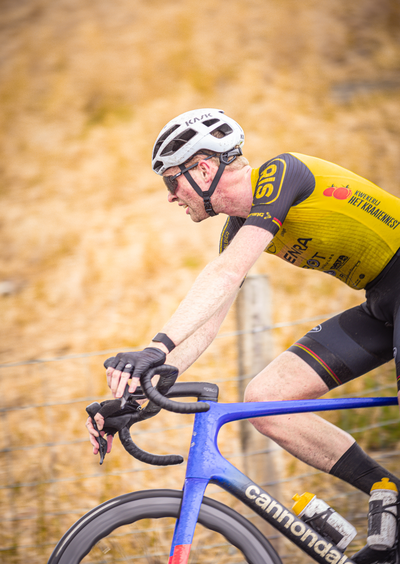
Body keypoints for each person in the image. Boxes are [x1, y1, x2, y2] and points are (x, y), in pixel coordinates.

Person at [86, 107, 400, 498]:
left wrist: (155, 347)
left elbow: (227, 273)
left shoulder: (281, 174)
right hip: (383, 302)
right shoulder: (238, 228)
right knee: (265, 401)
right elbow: (208, 324)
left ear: (203, 170)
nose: (170, 197)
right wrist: (143, 389)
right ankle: (388, 494)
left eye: (171, 181)